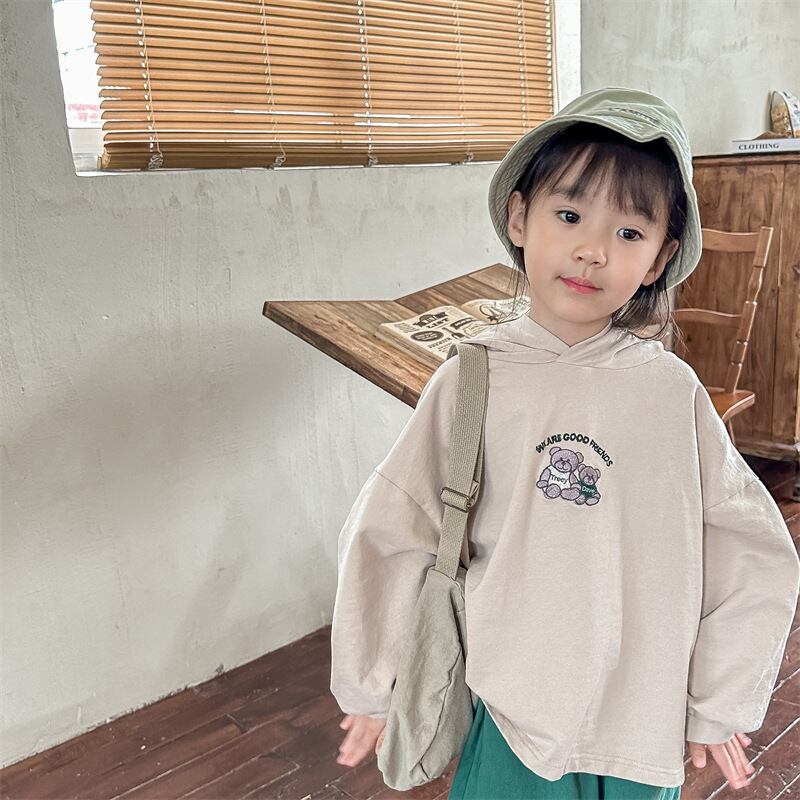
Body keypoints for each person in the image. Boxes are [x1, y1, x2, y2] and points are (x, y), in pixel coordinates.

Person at [328, 87, 800, 799]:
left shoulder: (671, 394)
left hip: (641, 724)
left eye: (630, 233)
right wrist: (373, 683)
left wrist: (721, 699)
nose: (592, 251)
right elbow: (395, 530)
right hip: (514, 715)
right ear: (521, 217)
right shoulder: (473, 379)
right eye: (571, 215)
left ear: (660, 258)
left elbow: (751, 550)